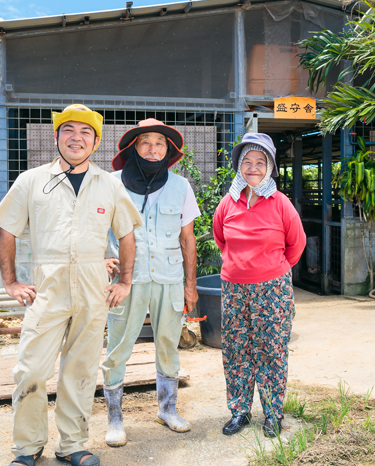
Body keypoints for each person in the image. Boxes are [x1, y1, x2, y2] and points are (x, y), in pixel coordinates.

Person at [0, 104, 143, 466]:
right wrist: (10, 282)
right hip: (48, 286)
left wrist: (125, 282)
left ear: (96, 141)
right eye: (69, 130)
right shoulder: (31, 181)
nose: (77, 137)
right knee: (31, 370)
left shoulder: (109, 184)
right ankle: (27, 448)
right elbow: (6, 228)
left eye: (85, 132)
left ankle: (73, 445)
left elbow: (127, 234)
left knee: (82, 370)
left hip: (92, 287)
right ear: (56, 137)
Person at [101, 118, 200, 447]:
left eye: (160, 142)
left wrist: (190, 284)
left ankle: (167, 410)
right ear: (134, 148)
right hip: (125, 282)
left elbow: (188, 238)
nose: (153, 148)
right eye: (146, 142)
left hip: (169, 279)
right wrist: (102, 258)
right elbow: (96, 228)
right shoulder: (112, 184)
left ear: (169, 150)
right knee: (117, 349)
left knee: (169, 346)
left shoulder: (181, 186)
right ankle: (115, 418)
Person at [213, 132, 306, 438]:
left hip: (272, 289)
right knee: (236, 350)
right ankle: (239, 411)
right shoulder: (228, 203)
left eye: (260, 162)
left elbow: (296, 244)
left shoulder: (281, 203)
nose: (253, 167)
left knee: (271, 350)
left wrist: (271, 269)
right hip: (234, 288)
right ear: (239, 166)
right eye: (247, 161)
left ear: (270, 167)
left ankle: (272, 413)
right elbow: (221, 239)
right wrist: (241, 266)